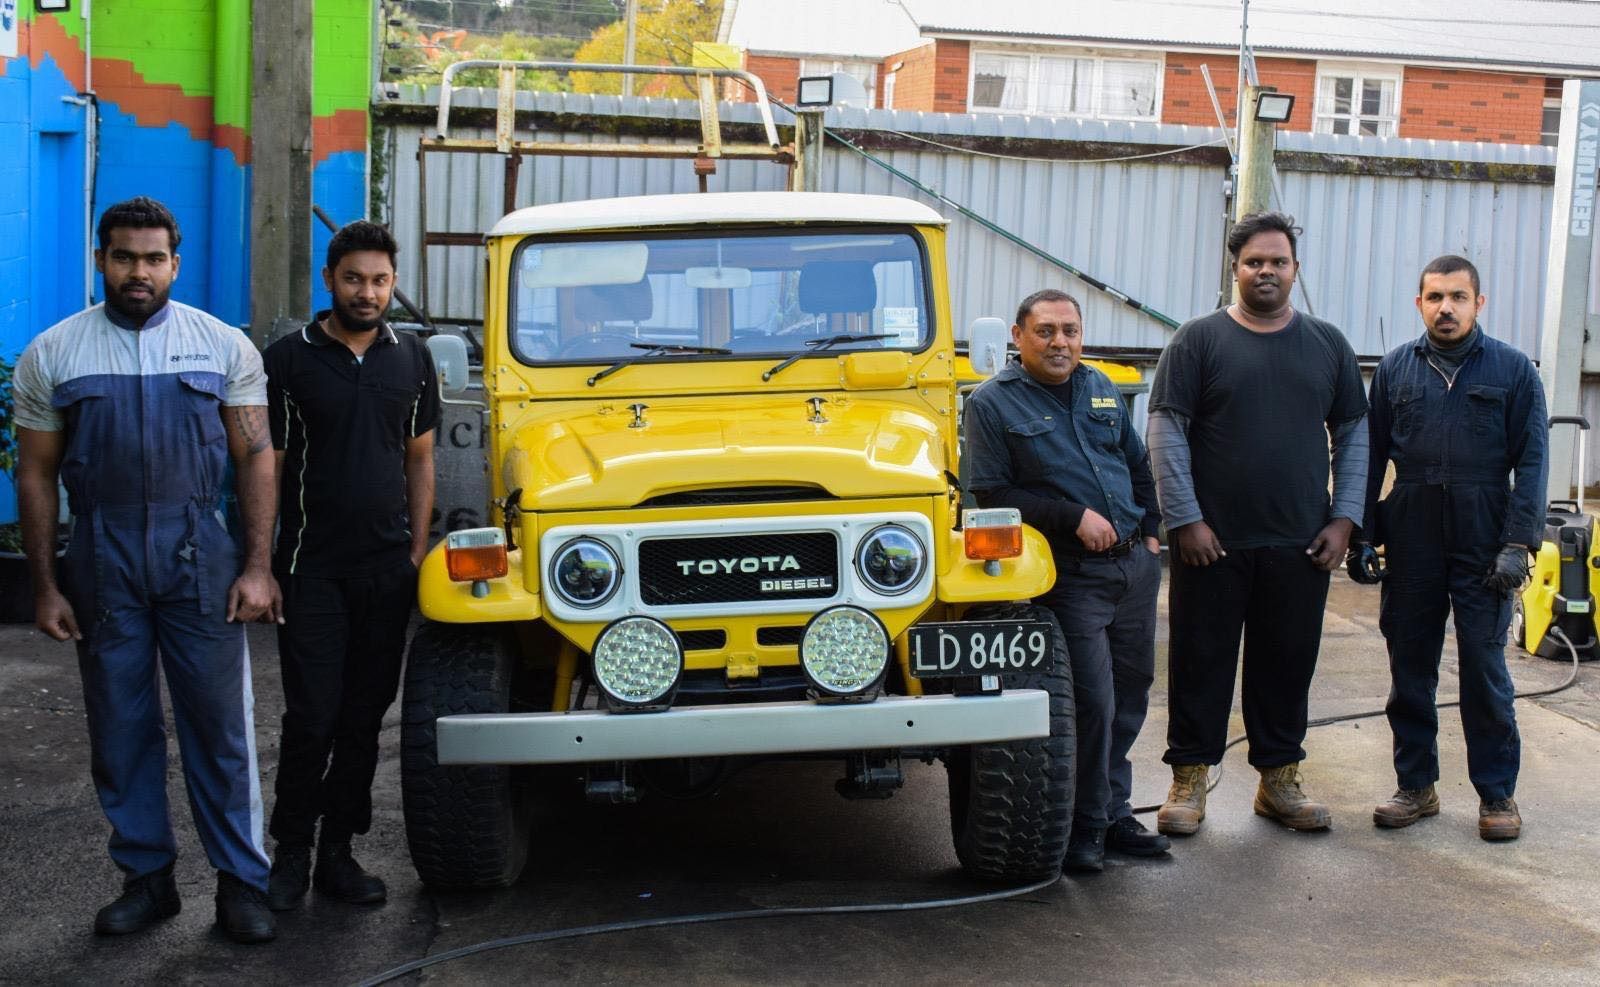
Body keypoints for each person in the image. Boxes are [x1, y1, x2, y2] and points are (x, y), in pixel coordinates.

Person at [13, 196, 281, 943]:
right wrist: (44, 583)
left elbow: (255, 454)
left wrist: (257, 566)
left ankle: (240, 883)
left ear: (176, 263)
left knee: (221, 727)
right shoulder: (54, 352)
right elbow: (34, 474)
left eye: (154, 258)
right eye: (125, 256)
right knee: (120, 726)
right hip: (103, 554)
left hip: (200, 549)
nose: (140, 271)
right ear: (101, 259)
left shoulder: (221, 346)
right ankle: (148, 879)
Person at [1147, 211, 1368, 836]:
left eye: (1277, 261)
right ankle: (1188, 781)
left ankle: (1279, 782)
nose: (1265, 271)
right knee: (1200, 661)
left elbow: (1354, 432)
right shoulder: (1198, 340)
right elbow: (1165, 429)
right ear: (1234, 268)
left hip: (1301, 544)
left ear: (1295, 270)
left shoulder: (1327, 344)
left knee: (1287, 663)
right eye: (1253, 262)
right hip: (1210, 546)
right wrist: (1185, 518)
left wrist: (1345, 516)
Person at [262, 220, 439, 910]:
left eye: (380, 280)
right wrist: (261, 562)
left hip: (386, 570)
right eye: (354, 278)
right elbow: (266, 468)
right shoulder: (287, 359)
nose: (367, 292)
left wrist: (416, 550)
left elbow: (420, 459)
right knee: (312, 716)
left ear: (392, 284)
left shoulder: (413, 357)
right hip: (309, 568)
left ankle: (339, 850)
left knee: (366, 716)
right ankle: (291, 852)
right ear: (330, 279)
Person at [965, 289, 1169, 873]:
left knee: (1132, 695)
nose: (1061, 343)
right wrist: (1071, 517)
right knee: (1091, 704)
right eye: (1047, 331)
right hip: (1071, 577)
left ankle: (1112, 812)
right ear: (1018, 335)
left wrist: (1152, 532)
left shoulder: (1100, 385)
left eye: (1071, 331)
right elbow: (992, 494)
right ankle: (1082, 830)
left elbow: (1135, 462)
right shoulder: (991, 404)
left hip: (1134, 569)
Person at [1351, 254, 1547, 841]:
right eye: (1435, 297)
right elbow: (1371, 456)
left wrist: (1518, 542)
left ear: (1478, 303)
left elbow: (1533, 462)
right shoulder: (1393, 371)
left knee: (1485, 671)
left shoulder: (1513, 371)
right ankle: (1416, 786)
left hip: (1484, 532)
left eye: (1458, 297)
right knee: (1409, 668)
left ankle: (1497, 795)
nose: (1446, 308)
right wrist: (1362, 533)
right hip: (1411, 530)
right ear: (1419, 304)